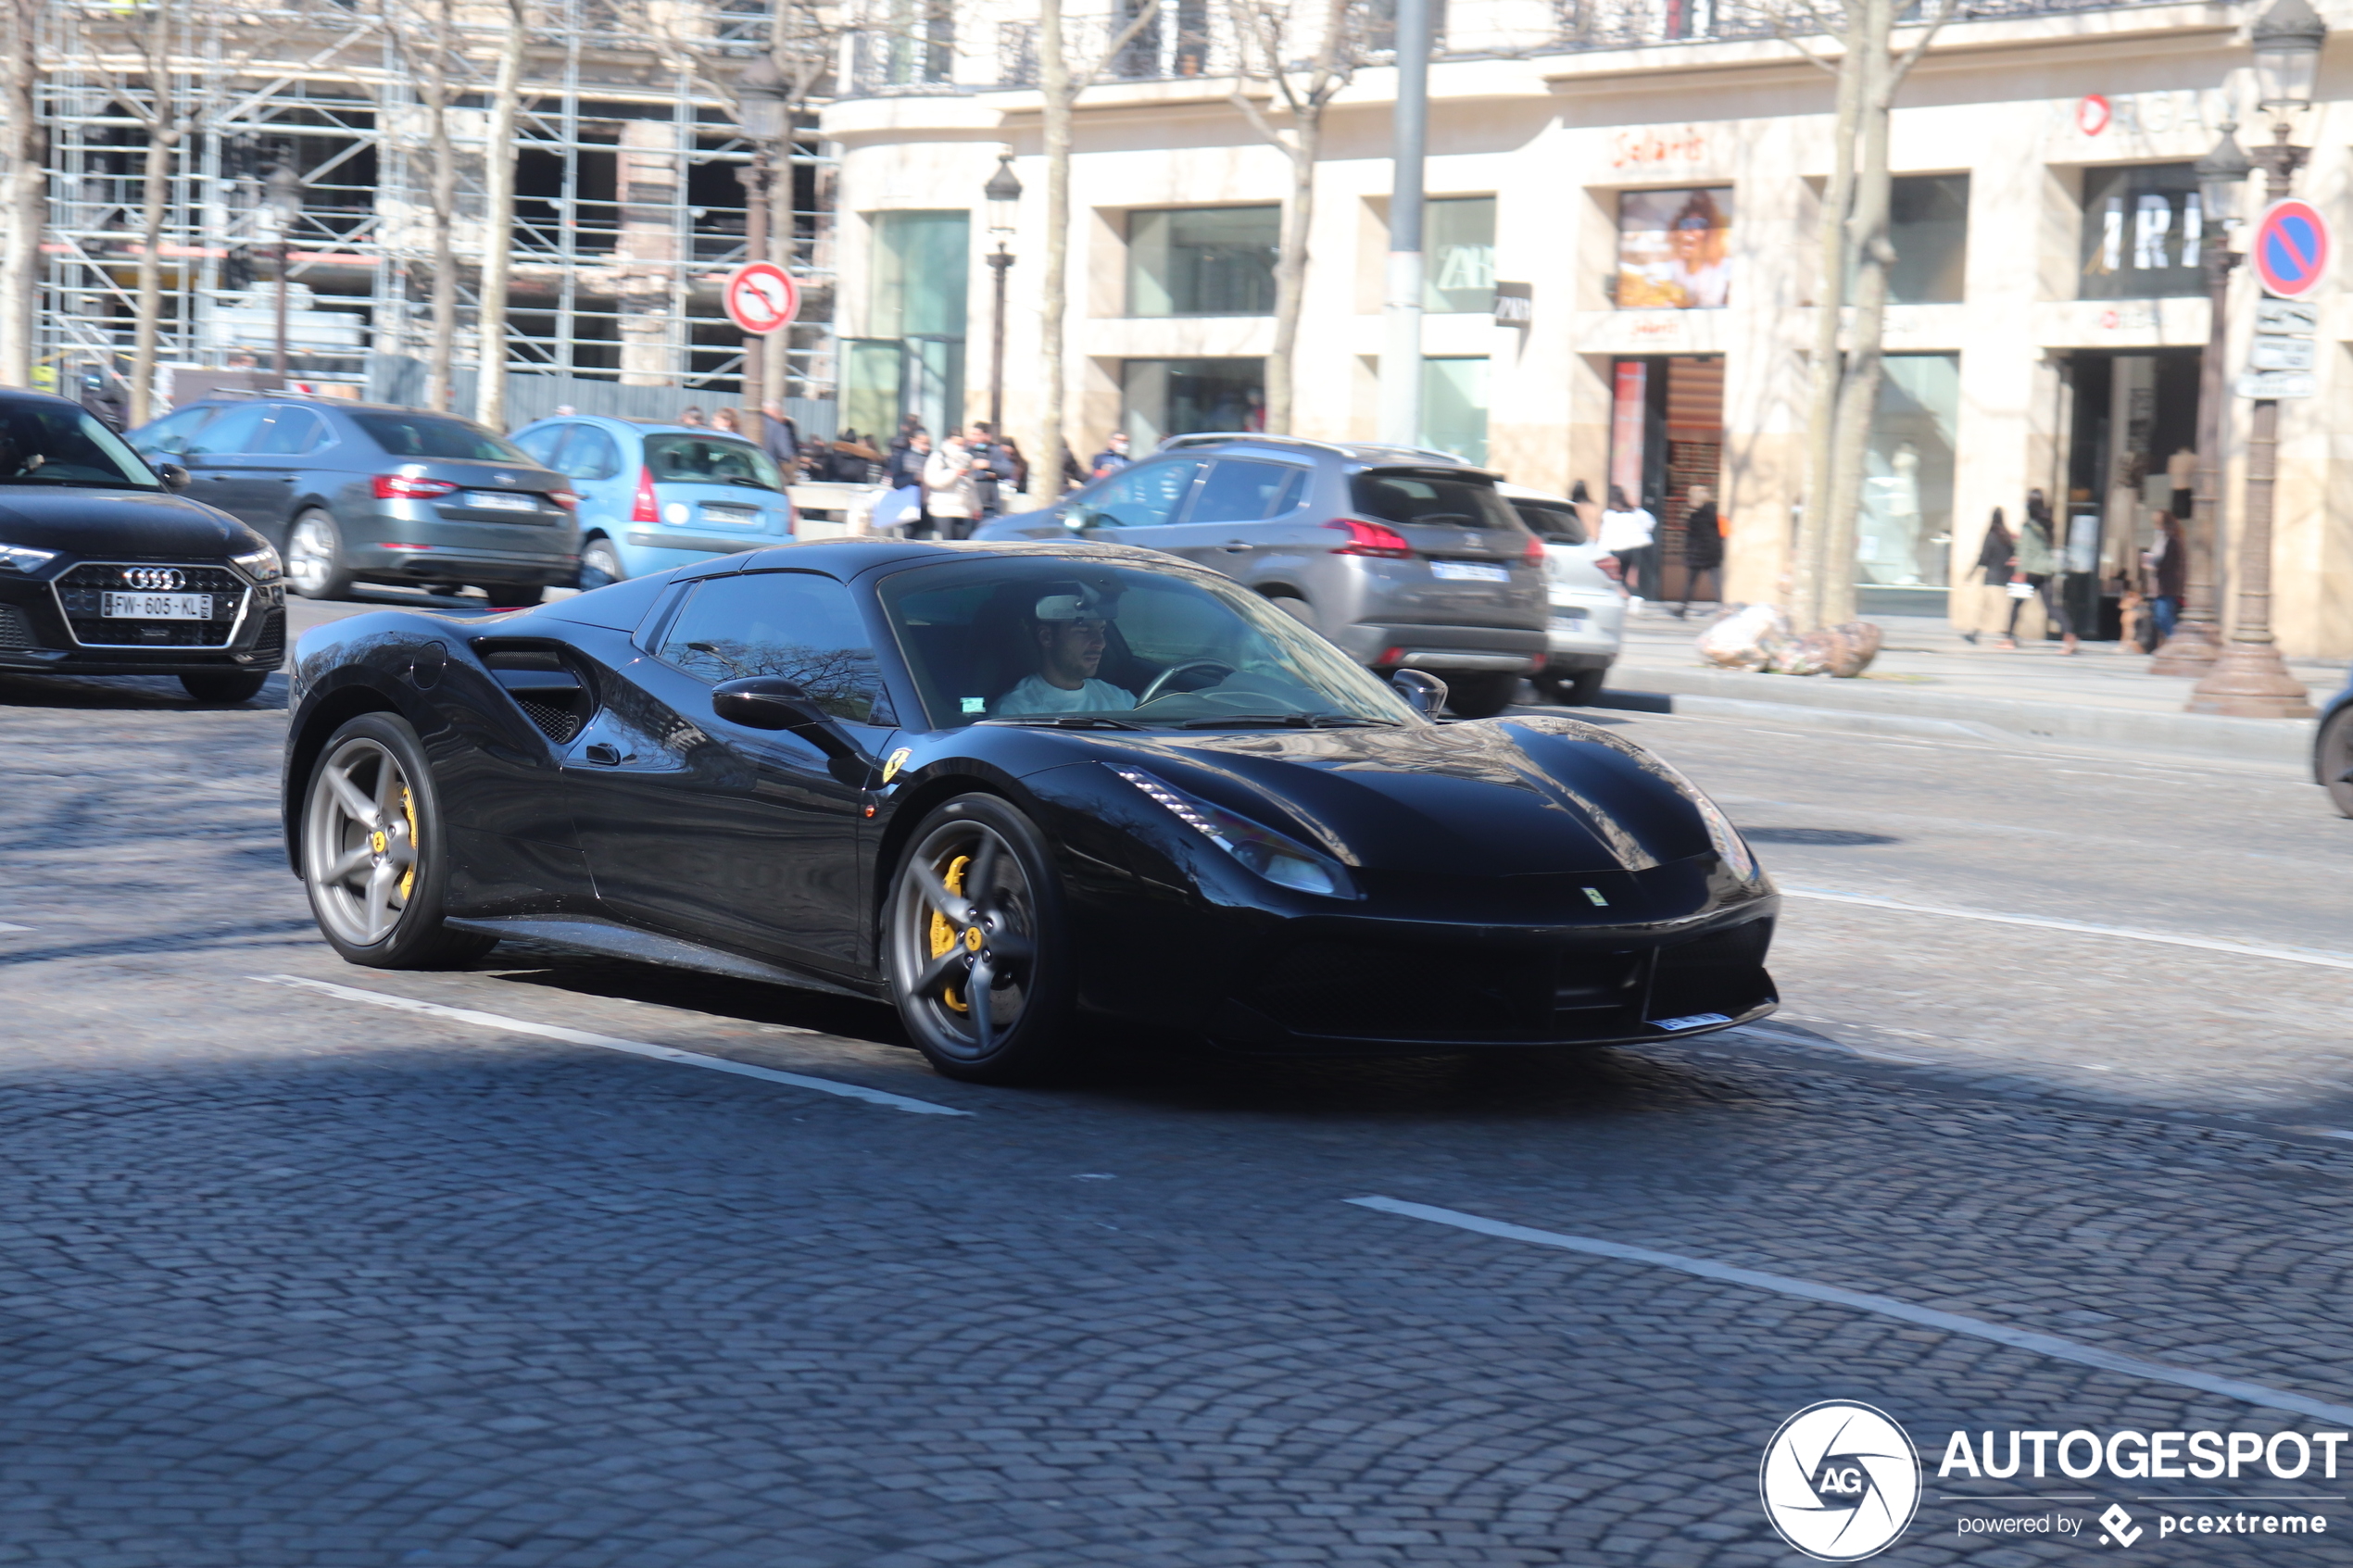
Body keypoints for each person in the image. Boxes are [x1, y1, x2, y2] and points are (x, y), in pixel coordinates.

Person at [993, 590, 1136, 716]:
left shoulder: (1120, 698)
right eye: (1083, 630)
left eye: (1102, 630)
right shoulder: (1015, 713)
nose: (1101, 643)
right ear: (1046, 637)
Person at [2002, 489, 2076, 654]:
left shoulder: (2028, 527)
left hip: (2031, 570)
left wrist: (2020, 572)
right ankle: (2070, 637)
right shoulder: (2047, 524)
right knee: (2051, 606)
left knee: (2017, 604)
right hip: (2046, 569)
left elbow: (2026, 551)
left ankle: (2008, 639)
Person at [1961, 507, 2016, 645]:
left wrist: (1971, 573)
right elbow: (2013, 555)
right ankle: (1975, 633)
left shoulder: (1991, 536)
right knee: (1998, 608)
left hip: (1992, 578)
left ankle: (2007, 636)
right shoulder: (2007, 536)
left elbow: (1983, 558)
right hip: (2004, 578)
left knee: (1987, 607)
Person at [1597, 484, 1658, 608]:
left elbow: (1604, 533)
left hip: (1613, 550)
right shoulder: (1635, 512)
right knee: (1623, 576)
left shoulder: (1608, 515)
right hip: (1631, 550)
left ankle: (1626, 598)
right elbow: (1651, 522)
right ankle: (1630, 598)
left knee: (1611, 577)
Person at [1674, 485, 1722, 618]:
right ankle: (1724, 609)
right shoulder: (1713, 512)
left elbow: (1693, 535)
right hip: (1713, 552)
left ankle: (1683, 609)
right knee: (1717, 583)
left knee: (1690, 582)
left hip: (1698, 553)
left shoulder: (1695, 515)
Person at [923, 432, 980, 540]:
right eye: (956, 443)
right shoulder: (939, 457)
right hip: (943, 509)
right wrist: (955, 473)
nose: (959, 447)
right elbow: (933, 480)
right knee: (947, 542)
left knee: (961, 544)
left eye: (962, 444)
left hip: (964, 509)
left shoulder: (967, 459)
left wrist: (976, 507)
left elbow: (971, 486)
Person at [2145, 508, 2185, 644]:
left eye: (2157, 522)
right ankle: (2173, 641)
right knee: (2160, 617)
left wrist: (2153, 564)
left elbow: (2167, 563)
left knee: (2163, 616)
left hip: (2167, 586)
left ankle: (2175, 642)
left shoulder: (2172, 540)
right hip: (2160, 586)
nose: (2155, 526)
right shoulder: (2162, 539)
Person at [761, 399, 800, 472]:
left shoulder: (748, 422)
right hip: (769, 468)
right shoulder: (778, 428)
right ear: (776, 412)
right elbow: (785, 453)